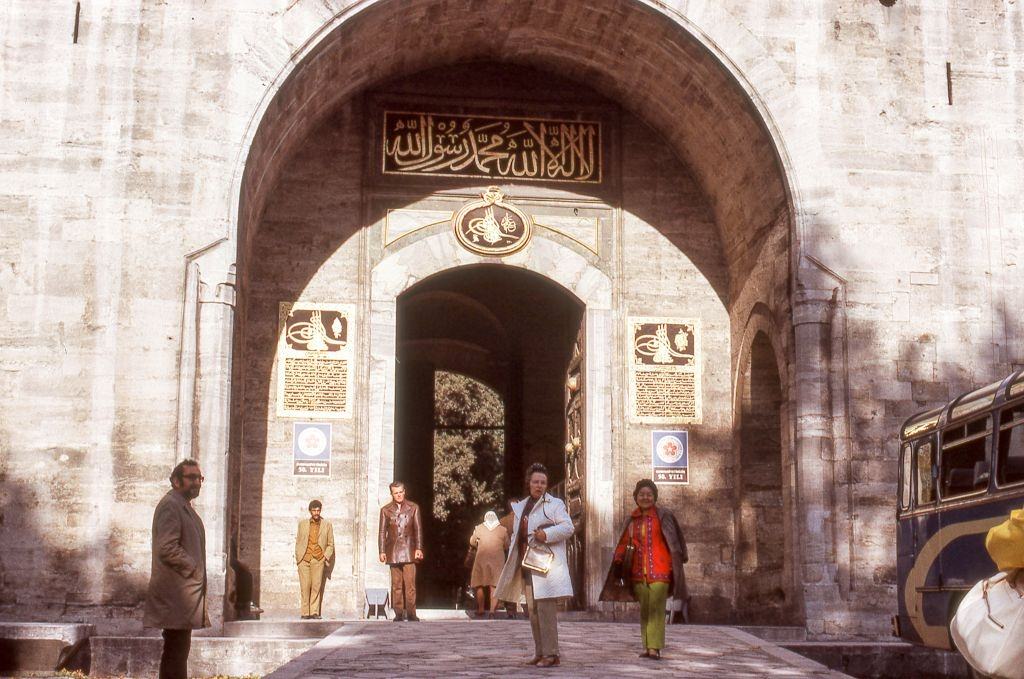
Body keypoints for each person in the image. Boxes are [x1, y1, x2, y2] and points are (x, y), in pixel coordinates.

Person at [599, 478, 688, 660]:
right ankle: (647, 646)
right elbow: (624, 543)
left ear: (654, 497)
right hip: (638, 572)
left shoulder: (664, 516)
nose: (645, 497)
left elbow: (674, 541)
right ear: (636, 497)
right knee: (645, 610)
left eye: (649, 494)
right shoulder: (632, 520)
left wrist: (676, 563)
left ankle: (655, 647)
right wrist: (617, 561)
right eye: (642, 494)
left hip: (661, 571)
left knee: (657, 610)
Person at [496, 463, 574, 668]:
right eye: (535, 482)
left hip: (546, 565)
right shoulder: (522, 506)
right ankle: (540, 651)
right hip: (527, 563)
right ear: (528, 483)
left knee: (546, 611)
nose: (539, 485)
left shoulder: (554, 504)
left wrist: (546, 534)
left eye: (543, 482)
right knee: (532, 611)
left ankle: (552, 653)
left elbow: (568, 527)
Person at [144, 459, 209, 679]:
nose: (197, 483)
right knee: (175, 650)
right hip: (175, 594)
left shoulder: (182, 505)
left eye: (199, 478)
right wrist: (194, 569)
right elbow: (167, 547)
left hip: (181, 595)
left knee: (178, 650)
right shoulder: (171, 505)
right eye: (191, 478)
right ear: (175, 481)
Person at [378, 481, 423, 621]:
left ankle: (411, 613)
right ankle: (398, 613)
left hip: (409, 549)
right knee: (396, 585)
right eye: (395, 493)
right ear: (391, 494)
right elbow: (381, 532)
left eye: (401, 492)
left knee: (410, 585)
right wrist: (382, 550)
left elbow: (418, 529)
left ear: (405, 492)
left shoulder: (413, 507)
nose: (399, 495)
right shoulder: (385, 510)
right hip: (393, 551)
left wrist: (419, 548)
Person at [295, 499, 335, 619]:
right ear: (310, 511)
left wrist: (324, 557)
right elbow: (298, 541)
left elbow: (331, 544)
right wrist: (298, 558)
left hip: (318, 559)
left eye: (318, 510)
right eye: (314, 510)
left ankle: (314, 612)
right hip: (304, 558)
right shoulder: (302, 524)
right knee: (305, 586)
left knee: (316, 586)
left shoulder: (327, 525)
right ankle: (305, 613)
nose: (316, 513)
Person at [469, 510, 510, 618]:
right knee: (494, 585)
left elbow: (472, 542)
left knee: (479, 584)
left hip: (481, 559)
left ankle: (481, 609)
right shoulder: (503, 530)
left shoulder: (479, 528)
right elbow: (507, 545)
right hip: (497, 560)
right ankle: (492, 611)